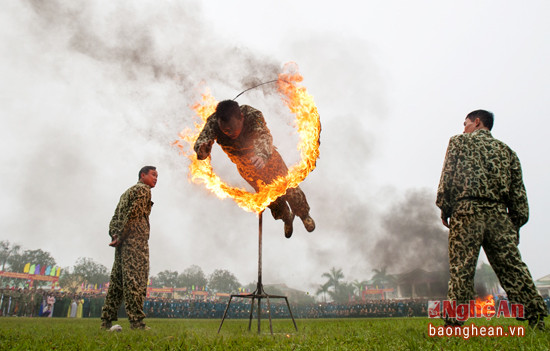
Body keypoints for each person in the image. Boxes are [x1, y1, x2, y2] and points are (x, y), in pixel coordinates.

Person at [436, 110, 547, 330]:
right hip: (499, 216)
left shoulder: (458, 142)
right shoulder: (508, 152)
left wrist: (445, 207)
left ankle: (454, 324)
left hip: (466, 212)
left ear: (477, 122)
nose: (464, 128)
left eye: (466, 123)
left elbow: (447, 177)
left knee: (461, 270)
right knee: (513, 269)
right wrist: (514, 224)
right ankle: (536, 318)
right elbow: (518, 196)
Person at [194, 100, 315, 238]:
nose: (229, 133)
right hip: (247, 169)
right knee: (270, 198)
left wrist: (261, 155)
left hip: (269, 159)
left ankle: (304, 214)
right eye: (225, 130)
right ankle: (286, 217)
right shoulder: (213, 122)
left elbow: (263, 135)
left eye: (232, 128)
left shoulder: (253, 115)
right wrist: (202, 151)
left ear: (241, 117)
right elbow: (202, 141)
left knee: (289, 189)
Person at [100, 166, 158, 330]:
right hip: (134, 243)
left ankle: (106, 321)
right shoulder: (143, 190)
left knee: (117, 283)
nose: (155, 178)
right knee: (136, 281)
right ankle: (137, 322)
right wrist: (122, 235)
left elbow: (115, 216)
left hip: (122, 243)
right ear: (143, 175)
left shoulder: (127, 192)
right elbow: (133, 214)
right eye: (153, 175)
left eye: (157, 176)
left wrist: (115, 235)